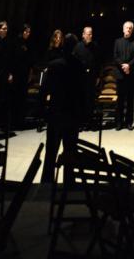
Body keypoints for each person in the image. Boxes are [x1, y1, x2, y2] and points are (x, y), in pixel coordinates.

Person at [40, 33, 82, 183]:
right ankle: (69, 181)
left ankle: (47, 181)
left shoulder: (54, 65)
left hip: (56, 111)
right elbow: (82, 91)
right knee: (70, 150)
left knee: (51, 151)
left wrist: (43, 110)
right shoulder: (79, 65)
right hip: (71, 112)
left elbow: (44, 90)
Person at [113, 20, 134, 130]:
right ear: (123, 29)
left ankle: (129, 122)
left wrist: (129, 66)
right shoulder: (117, 41)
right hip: (120, 74)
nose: (128, 29)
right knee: (120, 100)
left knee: (130, 100)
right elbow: (115, 56)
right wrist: (123, 66)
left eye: (130, 28)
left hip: (131, 75)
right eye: (126, 28)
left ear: (132, 30)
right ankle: (119, 123)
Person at [73, 25, 101, 129]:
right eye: (88, 34)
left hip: (91, 77)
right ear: (83, 34)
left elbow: (98, 62)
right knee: (80, 100)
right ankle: (80, 123)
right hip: (81, 78)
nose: (90, 35)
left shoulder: (95, 46)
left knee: (90, 100)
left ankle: (89, 122)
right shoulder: (78, 46)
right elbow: (75, 63)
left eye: (91, 33)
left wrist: (98, 76)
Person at [11, 23, 33, 129]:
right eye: (25, 31)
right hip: (16, 73)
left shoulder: (28, 43)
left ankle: (20, 120)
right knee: (15, 97)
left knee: (22, 97)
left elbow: (29, 60)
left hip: (24, 73)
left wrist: (30, 72)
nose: (27, 33)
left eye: (29, 32)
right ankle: (14, 121)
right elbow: (13, 59)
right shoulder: (16, 42)